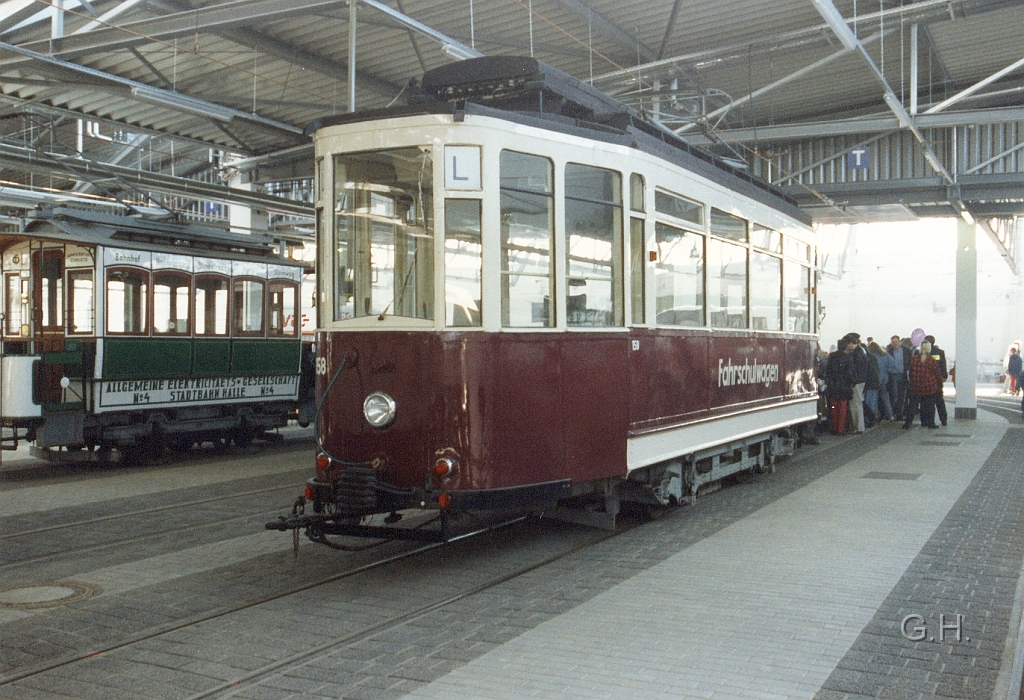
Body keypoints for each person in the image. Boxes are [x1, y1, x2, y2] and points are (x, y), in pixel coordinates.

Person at [904, 341, 944, 429]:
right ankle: (930, 423)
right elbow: (937, 374)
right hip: (929, 387)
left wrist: (912, 382)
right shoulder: (931, 360)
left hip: (916, 386)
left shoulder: (914, 359)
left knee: (912, 405)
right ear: (929, 349)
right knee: (930, 406)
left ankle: (907, 423)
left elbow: (910, 372)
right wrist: (939, 384)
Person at [825, 338, 856, 435]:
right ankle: (840, 428)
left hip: (833, 385)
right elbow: (850, 373)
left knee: (834, 407)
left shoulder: (831, 356)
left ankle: (834, 427)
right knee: (842, 408)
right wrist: (852, 382)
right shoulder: (848, 358)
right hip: (844, 386)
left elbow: (827, 371)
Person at [846, 333, 869, 434]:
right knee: (857, 403)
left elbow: (855, 369)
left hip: (856, 382)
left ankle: (858, 426)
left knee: (855, 403)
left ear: (851, 343)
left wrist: (852, 380)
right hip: (860, 381)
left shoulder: (856, 354)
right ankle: (859, 426)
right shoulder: (861, 351)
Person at [924, 334, 948, 426]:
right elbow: (943, 365)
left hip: (926, 380)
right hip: (937, 380)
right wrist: (944, 376)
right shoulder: (940, 352)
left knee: (927, 402)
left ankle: (927, 421)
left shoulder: (923, 353)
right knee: (939, 401)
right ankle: (943, 419)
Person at [869, 341, 895, 421]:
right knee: (885, 398)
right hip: (884, 379)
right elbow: (892, 366)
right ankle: (890, 415)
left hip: (874, 380)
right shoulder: (886, 355)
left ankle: (875, 415)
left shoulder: (871, 356)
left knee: (874, 399)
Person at [887, 335, 908, 421]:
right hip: (893, 375)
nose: (895, 344)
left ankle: (900, 414)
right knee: (894, 395)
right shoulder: (889, 352)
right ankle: (895, 412)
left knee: (902, 396)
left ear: (900, 342)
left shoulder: (906, 351)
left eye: (896, 342)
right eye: (893, 342)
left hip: (903, 375)